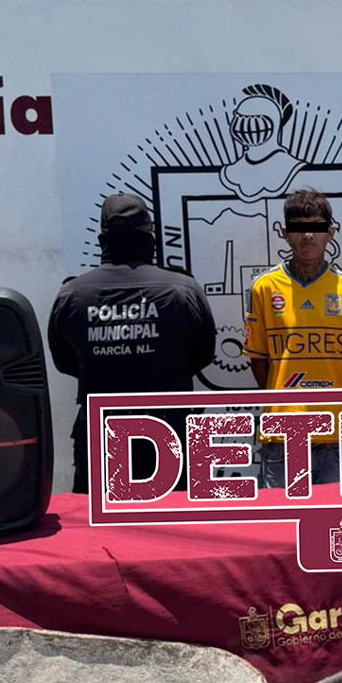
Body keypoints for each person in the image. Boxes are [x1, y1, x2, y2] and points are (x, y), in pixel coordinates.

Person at [48, 193, 216, 493]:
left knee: (99, 522)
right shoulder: (182, 289)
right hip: (169, 433)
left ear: (103, 239)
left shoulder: (73, 294)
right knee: (176, 520)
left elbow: (65, 362)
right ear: (149, 237)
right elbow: (203, 354)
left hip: (102, 434)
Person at [245, 187, 342, 489]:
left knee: (338, 517)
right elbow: (259, 363)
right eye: (299, 229)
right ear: (285, 233)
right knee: (282, 520)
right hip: (282, 435)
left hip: (337, 435)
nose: (308, 236)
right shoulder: (263, 288)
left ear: (331, 233)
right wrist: (285, 401)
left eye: (316, 228)